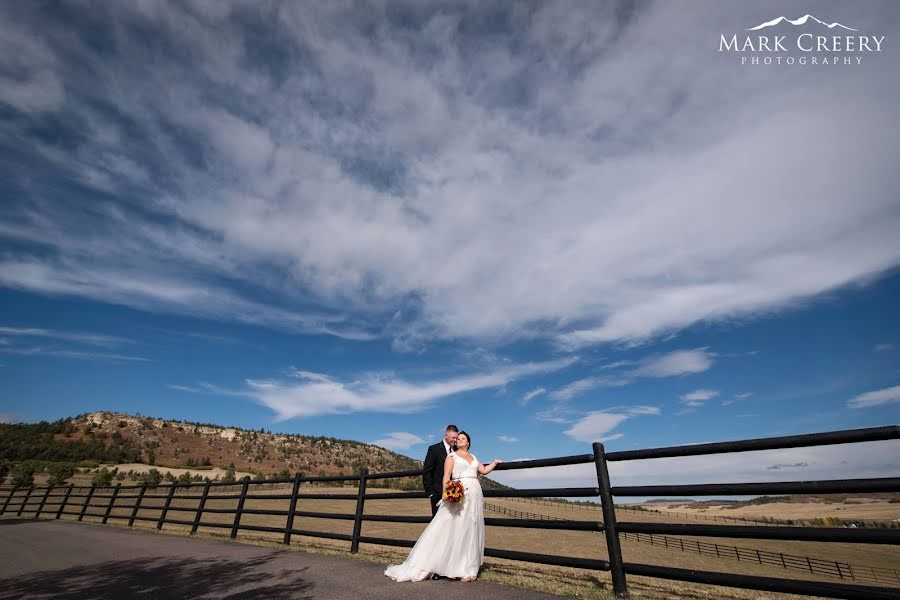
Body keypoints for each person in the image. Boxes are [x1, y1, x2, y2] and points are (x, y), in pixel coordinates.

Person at [385, 431, 503, 583]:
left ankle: (469, 568)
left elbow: (484, 471)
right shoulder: (451, 457)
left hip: (475, 495)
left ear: (468, 442)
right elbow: (446, 476)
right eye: (458, 438)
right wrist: (448, 494)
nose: (459, 440)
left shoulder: (473, 457)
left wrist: (495, 462)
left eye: (463, 438)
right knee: (455, 527)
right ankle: (451, 566)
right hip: (459, 493)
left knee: (471, 529)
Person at [422, 425, 458, 517]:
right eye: (453, 437)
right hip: (437, 494)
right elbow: (427, 471)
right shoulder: (434, 449)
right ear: (446, 435)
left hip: (455, 495)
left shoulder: (457, 451)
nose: (455, 440)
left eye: (456, 438)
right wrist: (431, 493)